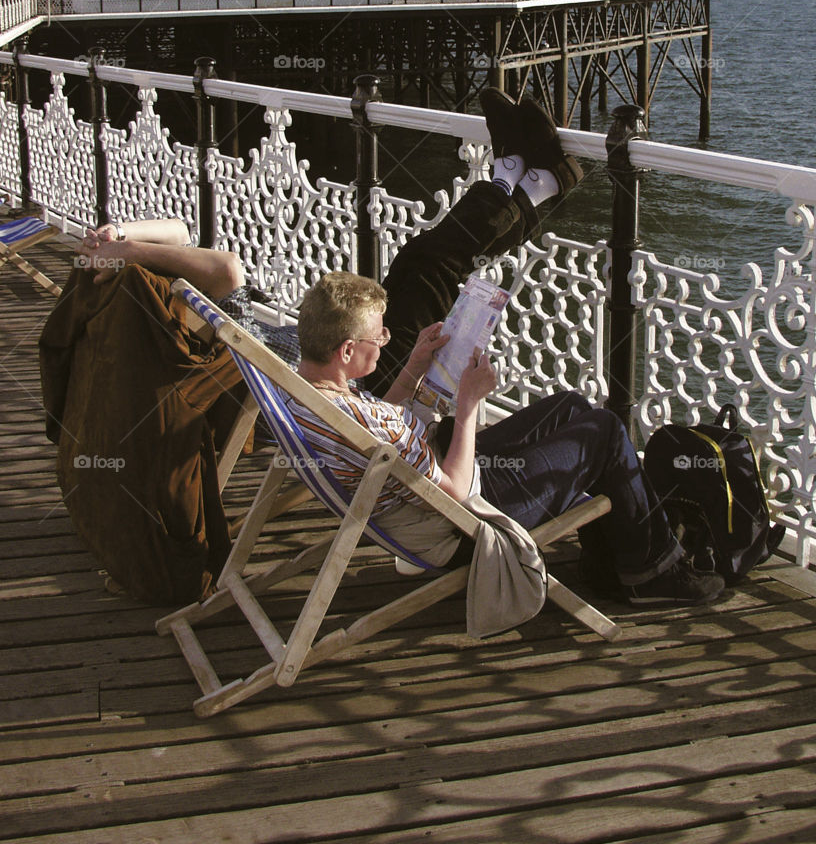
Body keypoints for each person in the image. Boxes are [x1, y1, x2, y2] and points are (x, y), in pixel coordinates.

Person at [79, 91, 724, 607]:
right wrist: (468, 404)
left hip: (402, 462)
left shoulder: (310, 392)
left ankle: (522, 186)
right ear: (348, 353)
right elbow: (452, 485)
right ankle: (650, 565)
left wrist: (414, 365)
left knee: (544, 383)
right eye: (377, 339)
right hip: (454, 510)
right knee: (604, 428)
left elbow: (396, 431)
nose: (386, 339)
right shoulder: (334, 401)